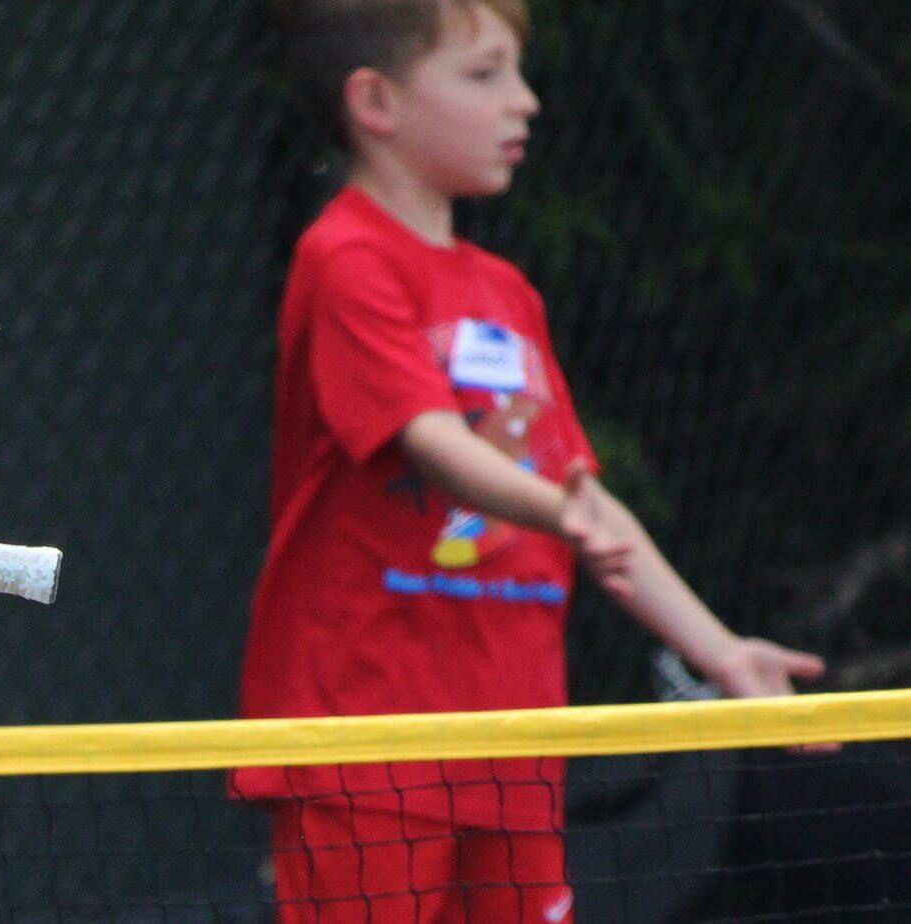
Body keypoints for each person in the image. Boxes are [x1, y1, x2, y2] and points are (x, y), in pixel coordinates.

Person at [232, 2, 831, 921]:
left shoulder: (506, 292)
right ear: (376, 101)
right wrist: (559, 511)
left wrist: (721, 653)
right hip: (368, 742)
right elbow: (434, 446)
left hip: (518, 740)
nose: (526, 101)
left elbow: (585, 498)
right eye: (485, 74)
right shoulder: (343, 257)